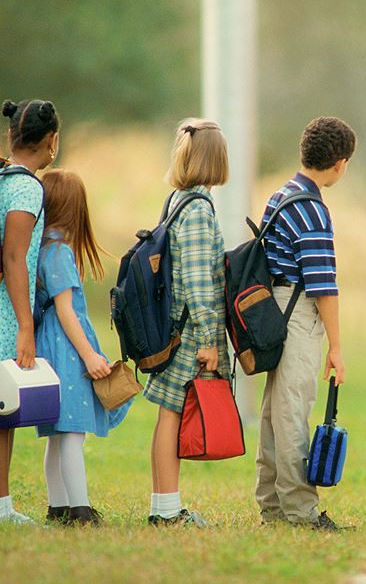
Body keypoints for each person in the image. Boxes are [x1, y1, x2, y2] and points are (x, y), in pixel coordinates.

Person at [255, 116, 355, 531]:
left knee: (275, 412)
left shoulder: (281, 195)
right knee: (293, 409)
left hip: (272, 309)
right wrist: (336, 346)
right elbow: (323, 286)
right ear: (340, 163)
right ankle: (300, 510)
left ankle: (272, 505)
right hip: (297, 314)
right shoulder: (312, 210)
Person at [0, 99, 58, 523]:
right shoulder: (27, 188)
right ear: (51, 142)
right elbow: (15, 256)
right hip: (2, 310)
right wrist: (25, 326)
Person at [144, 119, 230, 527]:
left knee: (168, 414)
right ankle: (166, 509)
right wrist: (210, 339)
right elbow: (198, 280)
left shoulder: (177, 200)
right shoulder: (197, 210)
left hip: (176, 326)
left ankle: (163, 506)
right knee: (173, 415)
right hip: (190, 332)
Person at [35, 169, 129, 527]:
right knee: (72, 433)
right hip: (65, 348)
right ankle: (80, 510)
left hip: (52, 344)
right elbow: (65, 311)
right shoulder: (58, 251)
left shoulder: (43, 247)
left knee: (58, 436)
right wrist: (90, 354)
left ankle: (58, 507)